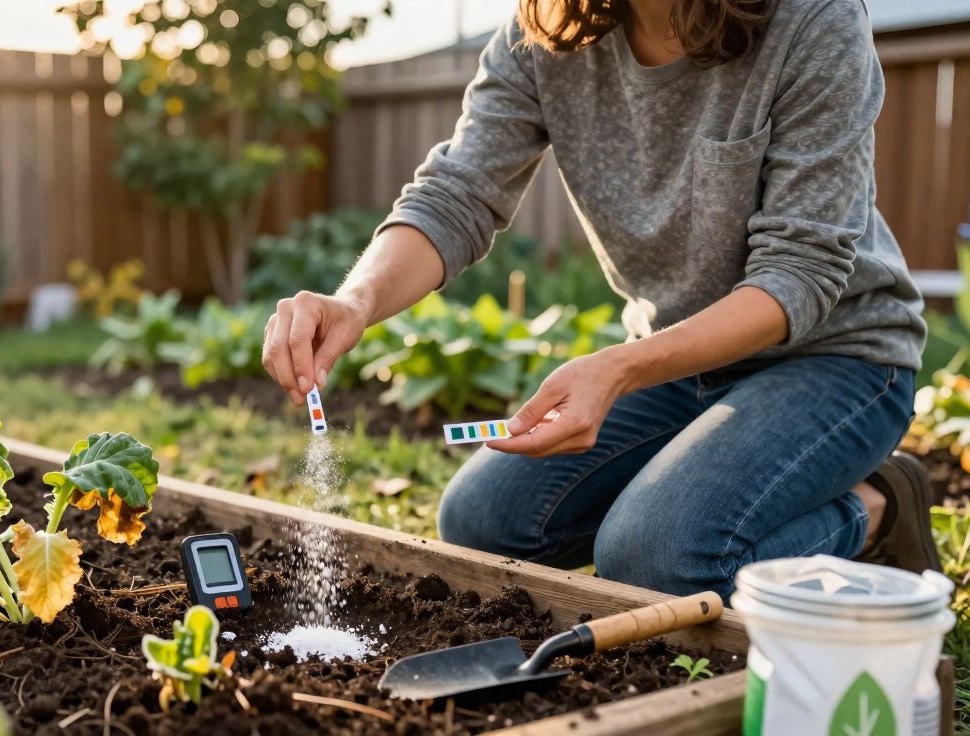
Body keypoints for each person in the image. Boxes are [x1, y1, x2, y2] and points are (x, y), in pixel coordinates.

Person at [260, 0, 939, 601]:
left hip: (838, 360)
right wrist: (354, 301)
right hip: (680, 363)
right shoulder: (547, 31)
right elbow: (457, 192)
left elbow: (800, 272)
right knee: (482, 524)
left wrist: (620, 369)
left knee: (653, 560)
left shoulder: (814, 19)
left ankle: (878, 508)